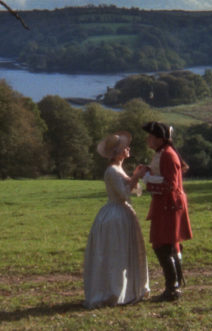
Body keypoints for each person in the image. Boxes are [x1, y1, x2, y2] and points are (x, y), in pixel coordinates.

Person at [83, 131, 150, 308]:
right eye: (124, 147)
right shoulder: (112, 171)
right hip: (115, 215)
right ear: (118, 152)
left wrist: (135, 175)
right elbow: (123, 194)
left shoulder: (119, 169)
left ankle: (128, 289)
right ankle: (113, 291)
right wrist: (136, 176)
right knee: (115, 253)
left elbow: (132, 189)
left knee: (123, 252)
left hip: (122, 213)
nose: (128, 148)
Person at [134, 121, 193, 302]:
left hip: (169, 205)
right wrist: (148, 170)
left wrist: (146, 177)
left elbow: (170, 184)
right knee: (166, 245)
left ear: (159, 139)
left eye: (151, 136)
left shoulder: (167, 155)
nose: (148, 139)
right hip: (166, 205)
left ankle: (172, 288)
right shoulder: (163, 153)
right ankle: (173, 286)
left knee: (163, 245)